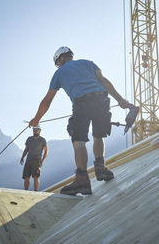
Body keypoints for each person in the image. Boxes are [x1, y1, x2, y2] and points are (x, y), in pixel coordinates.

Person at [28, 46, 130, 195]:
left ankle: (82, 180)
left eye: (57, 62)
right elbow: (104, 81)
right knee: (98, 135)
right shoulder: (88, 63)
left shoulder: (59, 73)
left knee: (78, 140)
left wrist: (36, 119)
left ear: (61, 58)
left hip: (82, 103)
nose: (58, 65)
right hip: (102, 99)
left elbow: (47, 101)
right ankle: (101, 169)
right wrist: (120, 100)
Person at [20, 125, 48, 191]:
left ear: (40, 131)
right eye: (34, 130)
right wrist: (22, 157)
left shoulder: (42, 140)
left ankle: (36, 191)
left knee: (36, 176)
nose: (35, 132)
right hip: (28, 160)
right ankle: (26, 191)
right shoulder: (29, 139)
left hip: (36, 161)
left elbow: (46, 151)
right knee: (26, 177)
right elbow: (26, 149)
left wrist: (42, 161)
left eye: (37, 130)